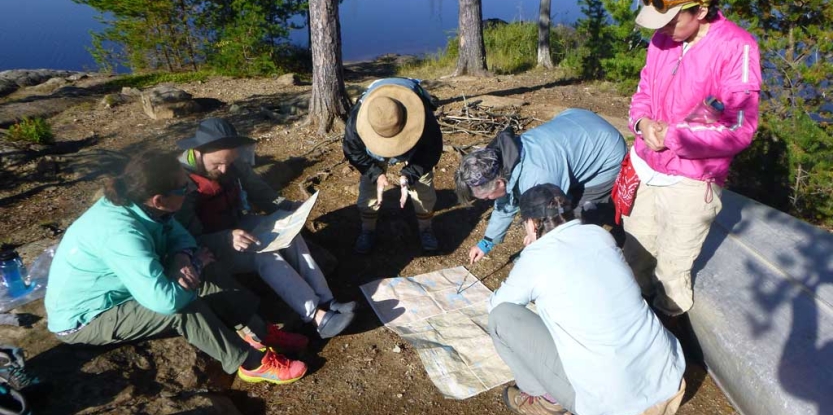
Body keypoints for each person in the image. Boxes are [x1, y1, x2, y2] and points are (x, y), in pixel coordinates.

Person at [44, 151, 308, 385]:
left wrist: (183, 257)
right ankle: (251, 363)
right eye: (184, 188)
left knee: (209, 268)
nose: (192, 190)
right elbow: (166, 302)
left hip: (123, 287)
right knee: (184, 308)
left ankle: (260, 332)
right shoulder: (121, 233)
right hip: (88, 316)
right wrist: (192, 266)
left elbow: (179, 234)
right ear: (159, 199)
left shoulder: (143, 204)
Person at [623, 0, 761, 317]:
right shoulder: (662, 40)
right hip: (646, 168)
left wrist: (676, 136)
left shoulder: (736, 48)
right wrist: (642, 123)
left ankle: (669, 327)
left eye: (671, 20)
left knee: (672, 269)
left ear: (700, 9)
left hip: (690, 179)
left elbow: (739, 127)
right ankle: (632, 321)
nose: (663, 30)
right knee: (635, 254)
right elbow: (643, 92)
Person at [488, 184, 686, 415]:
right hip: (668, 376)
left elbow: (497, 305)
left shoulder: (536, 258)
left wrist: (532, 254)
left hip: (611, 403)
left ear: (532, 224)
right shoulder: (599, 235)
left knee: (501, 318)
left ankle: (546, 398)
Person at [175, 118, 356, 339]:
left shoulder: (231, 162)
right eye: (217, 165)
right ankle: (316, 317)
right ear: (198, 152)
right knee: (266, 256)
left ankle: (327, 299)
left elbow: (260, 192)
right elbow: (187, 239)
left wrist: (288, 208)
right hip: (212, 248)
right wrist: (225, 238)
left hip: (238, 225)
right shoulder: (182, 182)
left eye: (228, 162)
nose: (224, 169)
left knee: (290, 235)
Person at [455, 108, 626, 264]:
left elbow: (555, 216)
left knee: (574, 220)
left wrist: (539, 238)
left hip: (606, 153)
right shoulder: (501, 162)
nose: (487, 201)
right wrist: (487, 242)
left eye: (486, 198)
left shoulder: (537, 175)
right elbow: (506, 204)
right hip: (577, 125)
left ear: (499, 183)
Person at [342, 77, 443, 254]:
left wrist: (409, 174)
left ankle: (426, 227)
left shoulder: (423, 117)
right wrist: (376, 174)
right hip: (373, 152)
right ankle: (368, 229)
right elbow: (353, 151)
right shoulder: (357, 121)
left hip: (416, 145)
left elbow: (431, 151)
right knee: (369, 187)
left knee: (424, 186)